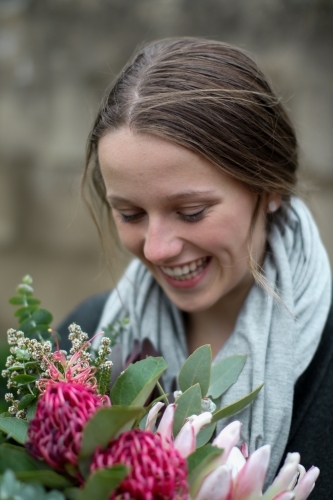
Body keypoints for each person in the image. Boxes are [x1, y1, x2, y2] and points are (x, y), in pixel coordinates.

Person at [58, 38, 333, 497]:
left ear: (270, 189)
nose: (157, 248)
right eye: (130, 214)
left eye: (191, 212)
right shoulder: (81, 344)